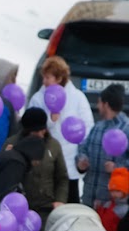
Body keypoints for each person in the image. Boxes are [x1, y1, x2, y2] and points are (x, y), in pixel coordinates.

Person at [2, 107, 68, 231]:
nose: (40, 133)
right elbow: (1, 175)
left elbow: (62, 178)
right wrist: (7, 157)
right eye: (35, 131)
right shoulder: (12, 143)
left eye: (42, 129)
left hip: (45, 208)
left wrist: (59, 201)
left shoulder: (53, 145)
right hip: (17, 211)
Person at [27, 56, 94, 204]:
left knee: (70, 203)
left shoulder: (77, 97)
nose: (44, 81)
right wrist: (51, 120)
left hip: (70, 159)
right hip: (47, 159)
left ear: (59, 78)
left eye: (48, 77)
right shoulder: (38, 98)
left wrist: (82, 154)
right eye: (43, 77)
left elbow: (88, 126)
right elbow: (31, 126)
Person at [76, 83, 129, 208]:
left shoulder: (126, 129)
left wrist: (117, 168)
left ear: (106, 104)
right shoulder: (97, 127)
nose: (98, 106)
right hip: (89, 199)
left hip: (113, 205)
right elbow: (83, 148)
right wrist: (81, 162)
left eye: (100, 102)